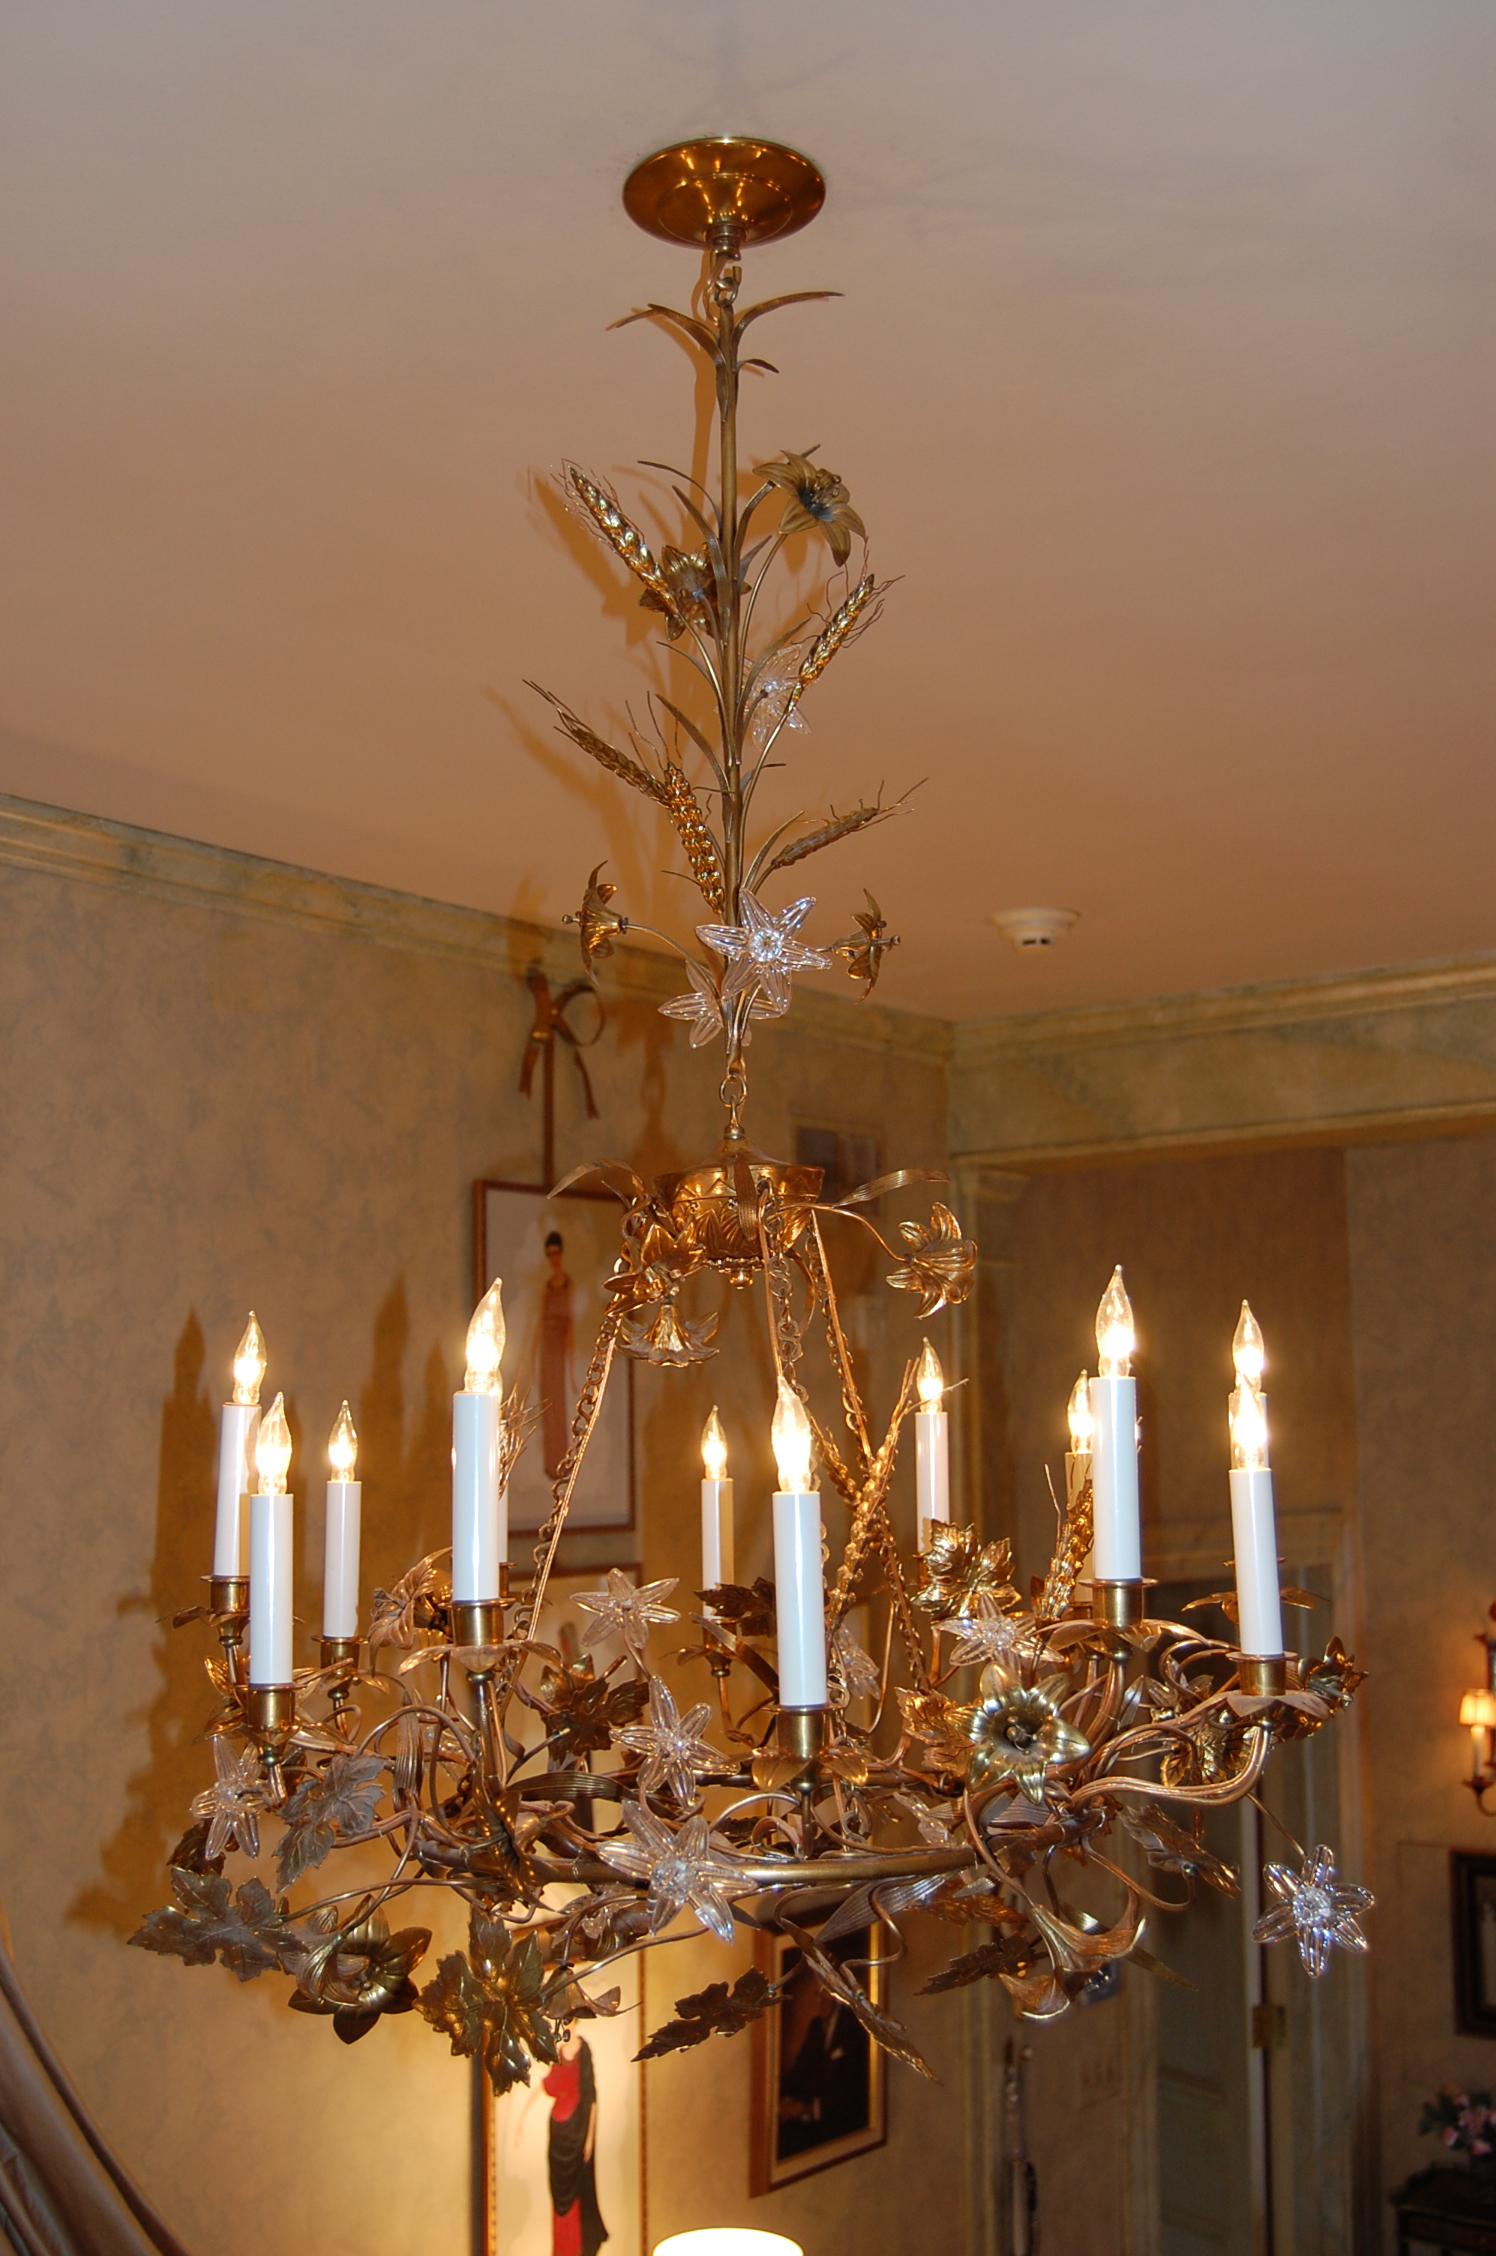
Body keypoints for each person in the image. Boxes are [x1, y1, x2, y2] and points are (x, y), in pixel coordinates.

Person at [542, 2028, 607, 2256]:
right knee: (558, 2193)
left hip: (577, 2132)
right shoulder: (558, 2050)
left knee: (578, 2190)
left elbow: (592, 2098)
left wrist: (589, 2139)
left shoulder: (584, 2050)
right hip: (558, 2133)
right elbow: (548, 2086)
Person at [537, 1229, 575, 1479]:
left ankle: (563, 1462)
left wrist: (571, 1365)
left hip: (561, 1350)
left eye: (556, 1253)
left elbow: (571, 1325)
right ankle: (550, 1464)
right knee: (548, 1405)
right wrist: (531, 1358)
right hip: (547, 1349)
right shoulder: (547, 1287)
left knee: (560, 1404)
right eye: (549, 1254)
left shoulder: (570, 1286)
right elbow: (540, 1321)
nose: (554, 1258)